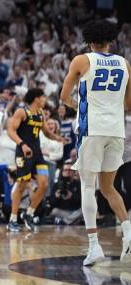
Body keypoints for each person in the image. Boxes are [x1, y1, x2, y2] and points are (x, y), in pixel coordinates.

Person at [60, 19, 131, 265]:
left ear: (89, 40)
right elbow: (128, 105)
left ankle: (94, 247)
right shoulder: (125, 64)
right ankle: (129, 234)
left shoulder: (82, 60)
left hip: (92, 129)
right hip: (116, 130)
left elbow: (64, 96)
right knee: (109, 187)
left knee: (88, 187)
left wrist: (77, 108)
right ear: (110, 40)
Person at [7, 88, 63, 232]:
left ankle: (29, 213)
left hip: (37, 154)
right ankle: (12, 219)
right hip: (23, 153)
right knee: (21, 185)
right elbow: (11, 131)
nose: (45, 100)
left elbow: (46, 132)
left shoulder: (40, 113)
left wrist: (58, 138)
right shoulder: (21, 112)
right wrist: (22, 144)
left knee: (44, 184)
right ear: (36, 98)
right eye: (43, 97)